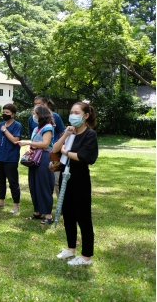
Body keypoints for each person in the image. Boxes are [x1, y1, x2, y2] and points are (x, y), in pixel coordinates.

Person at [53, 102, 98, 266]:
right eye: (71, 112)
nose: (73, 115)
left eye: (76, 112)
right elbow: (54, 149)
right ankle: (71, 249)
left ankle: (86, 256)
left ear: (85, 116)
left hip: (80, 178)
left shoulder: (90, 135)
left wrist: (66, 152)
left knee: (83, 216)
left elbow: (86, 157)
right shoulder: (70, 133)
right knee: (69, 214)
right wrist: (65, 135)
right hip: (65, 178)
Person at [16, 105, 55, 225]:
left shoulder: (48, 127)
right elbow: (34, 142)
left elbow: (45, 144)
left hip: (44, 158)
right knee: (33, 185)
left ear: (41, 115)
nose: (34, 116)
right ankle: (37, 212)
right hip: (34, 158)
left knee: (44, 185)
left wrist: (27, 142)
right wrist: (29, 147)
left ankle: (48, 215)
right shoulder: (36, 128)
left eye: (35, 113)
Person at [28, 95, 65, 196]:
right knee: (39, 180)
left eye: (39, 104)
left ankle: (61, 206)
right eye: (35, 104)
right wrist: (29, 147)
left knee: (56, 180)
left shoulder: (55, 117)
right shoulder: (32, 119)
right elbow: (32, 137)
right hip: (36, 155)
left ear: (46, 104)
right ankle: (41, 205)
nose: (37, 106)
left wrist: (60, 149)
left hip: (53, 153)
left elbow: (61, 133)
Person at [0, 103, 22, 214]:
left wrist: (5, 130)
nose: (4, 114)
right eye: (3, 112)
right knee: (0, 181)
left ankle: (16, 205)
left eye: (7, 113)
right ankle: (1, 201)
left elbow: (15, 140)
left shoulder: (17, 125)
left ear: (13, 114)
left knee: (13, 182)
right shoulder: (1, 124)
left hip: (11, 158)